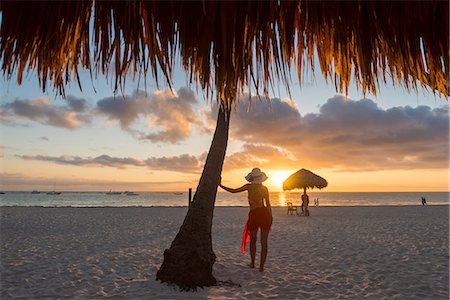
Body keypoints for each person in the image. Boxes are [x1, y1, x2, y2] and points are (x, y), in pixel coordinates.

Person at [219, 168, 272, 272]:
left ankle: (253, 263)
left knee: (253, 240)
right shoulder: (264, 189)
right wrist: (271, 217)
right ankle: (261, 267)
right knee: (264, 242)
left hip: (254, 215)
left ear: (252, 177)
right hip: (265, 214)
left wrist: (220, 185)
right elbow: (268, 204)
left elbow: (233, 191)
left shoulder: (248, 187)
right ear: (261, 178)